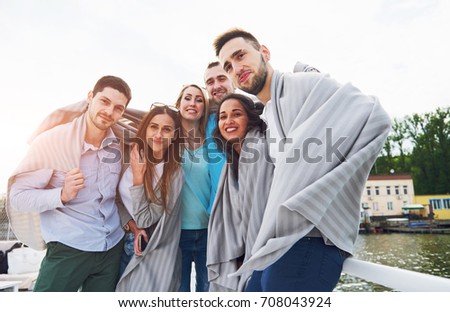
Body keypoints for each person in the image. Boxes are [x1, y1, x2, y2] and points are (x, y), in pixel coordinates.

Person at [213, 28, 392, 291]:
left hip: (315, 239)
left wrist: (322, 186)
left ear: (264, 52)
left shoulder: (304, 84)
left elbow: (375, 117)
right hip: (280, 241)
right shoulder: (270, 116)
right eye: (228, 66)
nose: (236, 68)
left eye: (241, 56)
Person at [7, 75, 132, 291]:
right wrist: (61, 194)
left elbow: (116, 197)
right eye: (104, 101)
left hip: (111, 247)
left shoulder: (118, 146)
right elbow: (18, 197)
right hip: (70, 248)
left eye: (118, 108)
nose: (110, 112)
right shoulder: (52, 141)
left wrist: (129, 222)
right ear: (90, 97)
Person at [115, 103, 185, 292]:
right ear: (145, 128)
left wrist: (138, 179)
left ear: (174, 135)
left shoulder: (173, 173)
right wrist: (131, 225)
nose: (158, 134)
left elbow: (145, 220)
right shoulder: (127, 154)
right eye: (154, 126)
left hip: (146, 248)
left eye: (167, 129)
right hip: (116, 241)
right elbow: (115, 200)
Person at [207, 93, 273, 291]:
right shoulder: (233, 160)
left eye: (236, 114)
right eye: (223, 116)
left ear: (250, 118)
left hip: (265, 251)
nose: (228, 121)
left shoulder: (259, 150)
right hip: (244, 252)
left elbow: (259, 211)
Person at [175, 84, 211, 292]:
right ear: (179, 103)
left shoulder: (213, 142)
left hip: (208, 231)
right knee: (179, 291)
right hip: (176, 233)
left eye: (199, 100)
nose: (193, 103)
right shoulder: (168, 137)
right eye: (188, 98)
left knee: (208, 291)